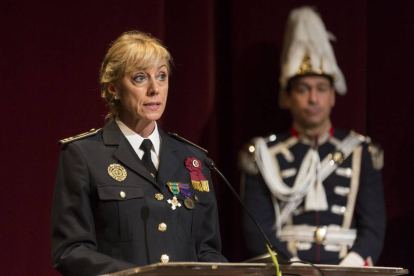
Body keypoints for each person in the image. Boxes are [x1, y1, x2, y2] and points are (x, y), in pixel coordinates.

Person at [51, 31, 227, 276]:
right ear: (113, 88)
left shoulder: (193, 159)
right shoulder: (84, 154)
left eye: (162, 76)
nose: (154, 89)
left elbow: (208, 251)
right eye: (140, 78)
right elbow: (71, 251)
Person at [239, 7, 385, 266]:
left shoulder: (361, 152)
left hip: (349, 268)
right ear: (287, 96)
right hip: (287, 268)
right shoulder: (262, 154)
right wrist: (293, 267)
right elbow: (258, 230)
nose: (313, 99)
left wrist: (350, 266)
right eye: (303, 89)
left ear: (332, 95)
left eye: (321, 88)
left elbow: (373, 227)